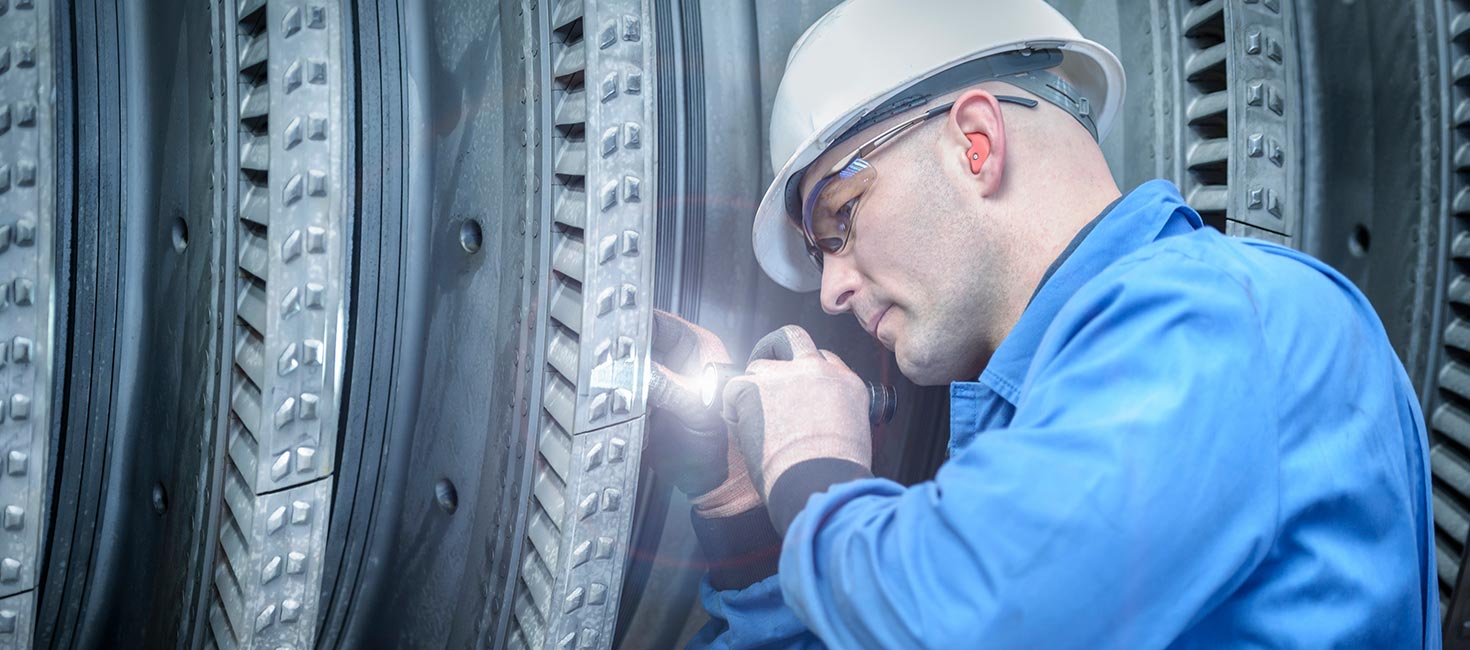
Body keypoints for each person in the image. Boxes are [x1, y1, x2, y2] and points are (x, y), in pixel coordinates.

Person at [646, 0, 1440, 647]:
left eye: (839, 221)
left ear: (976, 144)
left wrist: (812, 470)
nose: (832, 292)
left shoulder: (1220, 323)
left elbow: (965, 623)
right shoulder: (1033, 427)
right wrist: (741, 505)